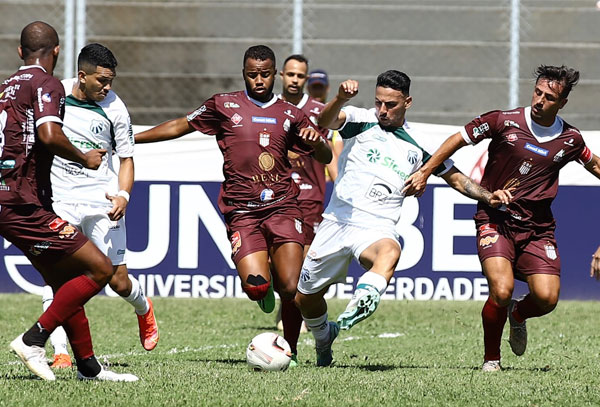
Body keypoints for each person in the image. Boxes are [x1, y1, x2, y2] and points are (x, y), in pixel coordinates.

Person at [294, 70, 513, 367]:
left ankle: (366, 297)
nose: (382, 110)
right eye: (379, 102)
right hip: (337, 220)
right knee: (305, 298)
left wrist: (487, 196)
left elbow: (456, 178)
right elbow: (325, 121)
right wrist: (340, 98)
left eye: (391, 105)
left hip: (376, 226)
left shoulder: (420, 143)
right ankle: (324, 338)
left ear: (407, 102)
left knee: (390, 250)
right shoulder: (361, 119)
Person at [135, 45, 332, 366]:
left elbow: (324, 155)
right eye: (252, 74)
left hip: (283, 206)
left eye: (265, 74)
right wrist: (133, 138)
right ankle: (264, 283)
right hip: (242, 211)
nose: (259, 80)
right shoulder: (223, 105)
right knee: (257, 288)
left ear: (275, 74)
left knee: (292, 287)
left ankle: (291, 350)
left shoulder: (291, 113)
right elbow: (180, 125)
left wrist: (318, 142)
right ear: (244, 73)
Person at [402, 65, 600, 372]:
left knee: (547, 298)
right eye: (537, 92)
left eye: (549, 97)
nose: (539, 100)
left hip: (537, 229)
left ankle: (518, 315)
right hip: (495, 219)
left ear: (562, 103)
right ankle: (491, 360)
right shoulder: (503, 121)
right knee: (502, 289)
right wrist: (425, 172)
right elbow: (457, 138)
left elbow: (596, 166)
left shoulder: (570, 139)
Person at [1, 21, 137, 381]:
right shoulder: (46, 83)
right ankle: (33, 340)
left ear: (20, 52)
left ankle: (88, 368)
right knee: (101, 269)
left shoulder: (6, 88)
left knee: (64, 280)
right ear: (58, 52)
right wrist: (84, 157)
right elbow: (48, 134)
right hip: (24, 204)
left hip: (8, 200)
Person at [41, 43, 159, 369]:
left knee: (117, 281)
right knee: (56, 277)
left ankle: (143, 307)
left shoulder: (116, 109)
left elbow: (127, 159)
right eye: (102, 81)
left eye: (111, 81)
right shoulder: (55, 95)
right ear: (82, 76)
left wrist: (123, 196)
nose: (107, 87)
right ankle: (61, 352)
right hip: (60, 200)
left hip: (101, 201)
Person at [273, 55, 337, 333]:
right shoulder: (269, 107)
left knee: (303, 261)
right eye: (291, 74)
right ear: (281, 75)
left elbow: (330, 153)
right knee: (275, 262)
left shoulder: (319, 112)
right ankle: (286, 302)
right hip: (274, 194)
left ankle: (296, 312)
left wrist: (340, 187)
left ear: (306, 79)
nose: (295, 80)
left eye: (300, 76)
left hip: (309, 196)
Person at [307, 69, 343, 181]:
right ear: (308, 88)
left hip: (328, 179)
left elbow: (339, 157)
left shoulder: (336, 117)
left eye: (320, 88)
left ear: (327, 88)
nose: (318, 92)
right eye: (315, 88)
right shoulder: (301, 115)